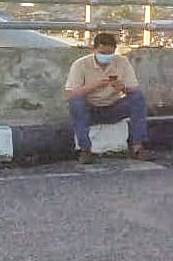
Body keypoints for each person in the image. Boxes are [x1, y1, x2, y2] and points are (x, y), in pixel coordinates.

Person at [65, 33, 153, 164]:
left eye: (110, 53)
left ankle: (138, 147)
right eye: (102, 53)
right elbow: (70, 94)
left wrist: (123, 88)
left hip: (113, 107)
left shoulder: (122, 62)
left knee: (137, 98)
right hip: (90, 109)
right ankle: (85, 150)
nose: (106, 56)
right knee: (76, 102)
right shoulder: (81, 64)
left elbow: (134, 89)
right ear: (94, 49)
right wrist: (95, 85)